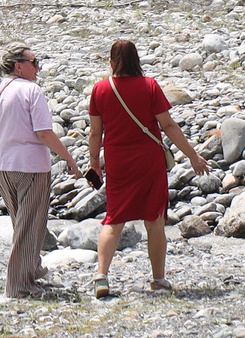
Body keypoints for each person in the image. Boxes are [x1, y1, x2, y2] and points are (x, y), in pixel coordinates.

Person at [84, 38, 207, 297]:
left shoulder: (101, 89)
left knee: (114, 218)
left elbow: (96, 133)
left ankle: (101, 276)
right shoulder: (149, 86)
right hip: (149, 161)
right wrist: (193, 156)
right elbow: (169, 126)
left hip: (118, 161)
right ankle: (158, 279)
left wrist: (94, 163)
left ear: (111, 61)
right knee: (154, 219)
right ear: (136, 60)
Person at [0, 42, 80, 298]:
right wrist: (68, 157)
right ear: (18, 66)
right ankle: (19, 285)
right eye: (34, 63)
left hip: (1, 165)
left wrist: (5, 142)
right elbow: (43, 132)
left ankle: (31, 269)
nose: (38, 68)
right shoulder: (31, 90)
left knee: (20, 222)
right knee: (30, 224)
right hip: (30, 166)